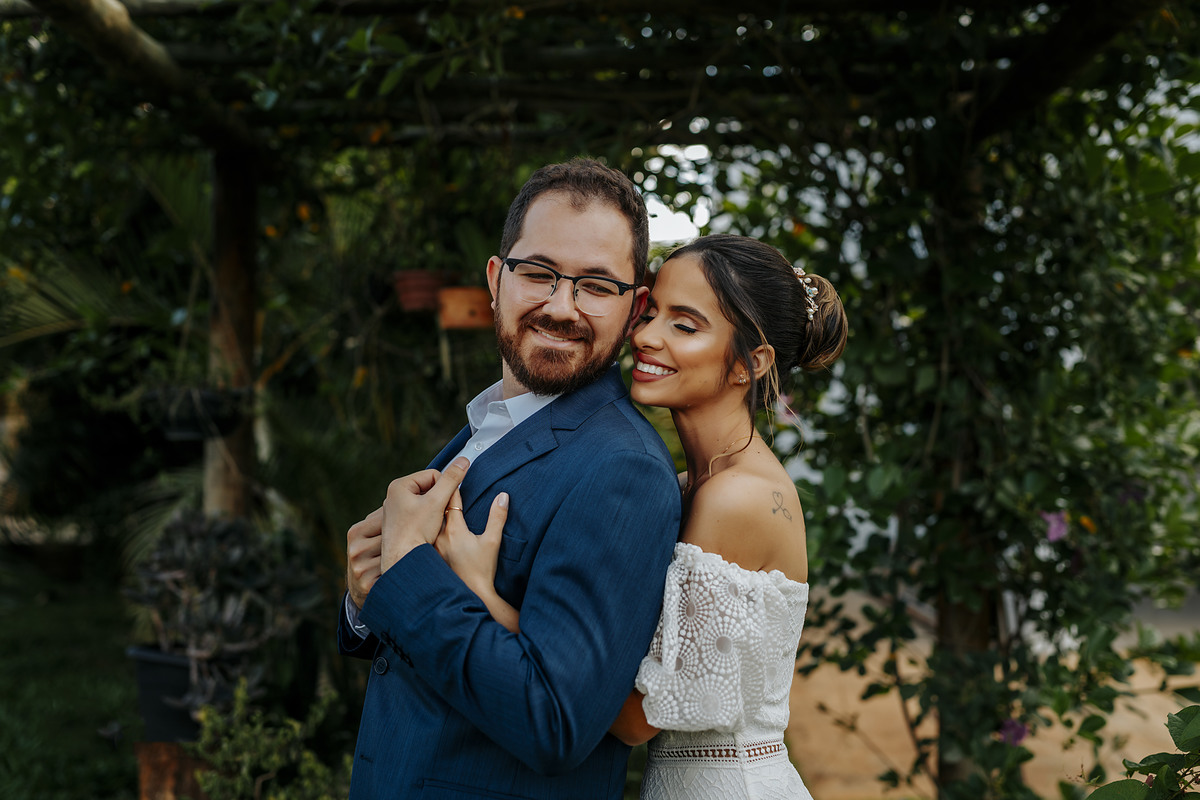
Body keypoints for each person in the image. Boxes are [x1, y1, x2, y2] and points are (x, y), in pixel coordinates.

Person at [435, 233, 848, 799]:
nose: (646, 337)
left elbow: (634, 719)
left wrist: (480, 592)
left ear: (751, 364)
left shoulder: (740, 500)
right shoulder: (691, 488)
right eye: (650, 312)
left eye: (685, 324)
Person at [337, 158, 683, 799]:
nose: (562, 306)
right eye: (539, 273)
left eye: (596, 285)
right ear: (496, 280)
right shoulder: (492, 420)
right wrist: (365, 601)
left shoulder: (622, 471)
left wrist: (409, 567)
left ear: (635, 308)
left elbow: (556, 722)